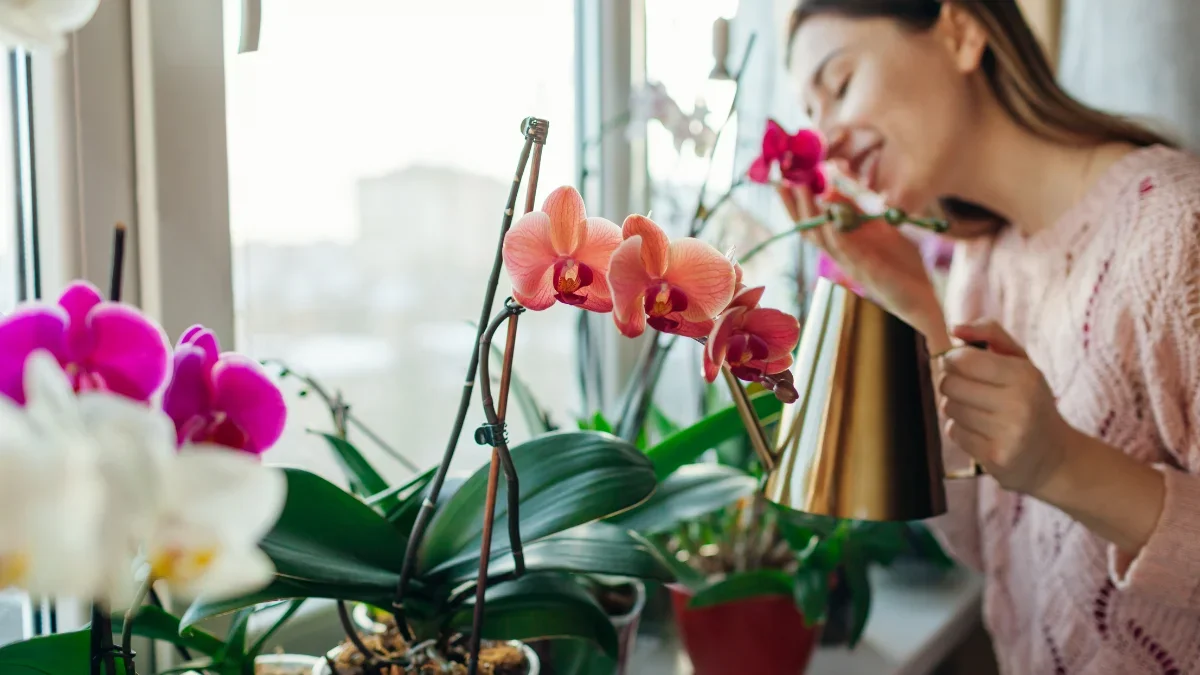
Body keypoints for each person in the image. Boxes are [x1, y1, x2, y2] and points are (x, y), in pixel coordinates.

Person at [780, 1, 1200, 673]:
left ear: (960, 31)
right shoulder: (981, 263)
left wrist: (1063, 465)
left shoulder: (1177, 229)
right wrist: (913, 301)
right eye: (810, 115)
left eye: (839, 84)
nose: (823, 141)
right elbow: (985, 543)